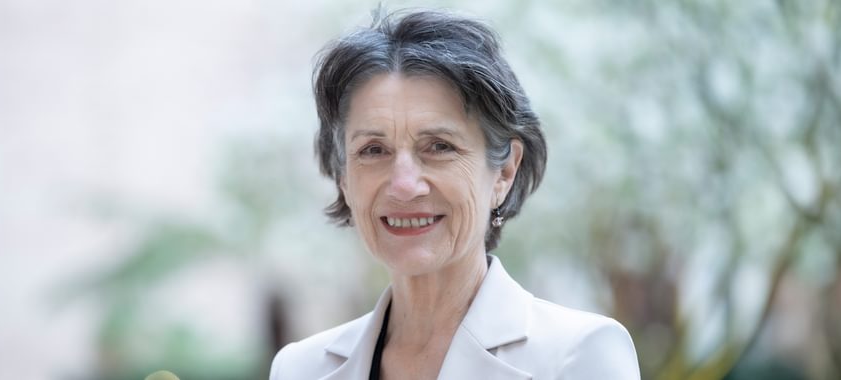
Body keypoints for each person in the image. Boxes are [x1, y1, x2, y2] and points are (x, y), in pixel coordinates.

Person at [271, 9, 640, 380]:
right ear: (344, 179)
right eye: (373, 150)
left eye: (439, 146)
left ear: (505, 172)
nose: (404, 185)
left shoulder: (580, 355)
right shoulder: (299, 368)